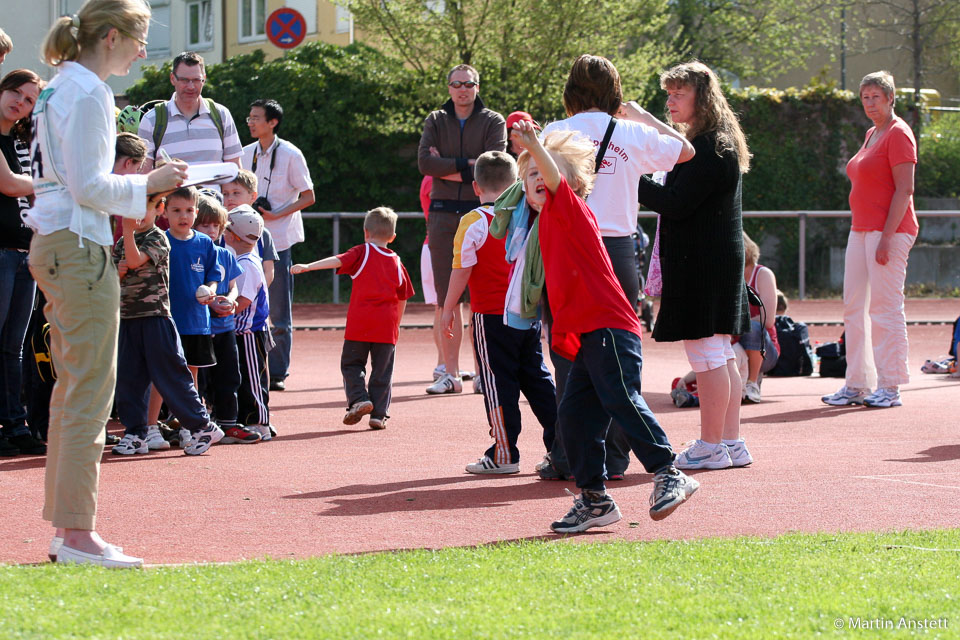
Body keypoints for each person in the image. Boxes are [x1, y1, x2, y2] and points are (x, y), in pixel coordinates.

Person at [26, 0, 187, 568]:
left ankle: (71, 530)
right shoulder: (87, 91)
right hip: (77, 245)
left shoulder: (58, 87)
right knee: (88, 393)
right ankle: (75, 535)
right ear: (113, 36)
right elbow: (92, 187)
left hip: (59, 243)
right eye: (140, 39)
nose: (144, 51)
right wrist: (151, 183)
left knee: (76, 392)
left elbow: (68, 181)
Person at [512, 120, 698, 533]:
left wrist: (535, 146)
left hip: (609, 326)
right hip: (586, 336)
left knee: (619, 397)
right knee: (574, 417)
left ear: (573, 182)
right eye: (530, 175)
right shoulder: (541, 224)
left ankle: (670, 472)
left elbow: (554, 178)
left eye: (547, 171)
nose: (539, 178)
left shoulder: (570, 208)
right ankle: (594, 500)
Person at [537, 54, 695, 481]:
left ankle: (568, 455)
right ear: (615, 92)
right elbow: (685, 151)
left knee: (567, 352)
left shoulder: (555, 132)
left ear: (571, 90)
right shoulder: (630, 132)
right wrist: (643, 116)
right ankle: (617, 458)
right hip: (618, 250)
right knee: (620, 359)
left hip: (568, 248)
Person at [636, 61, 752, 471]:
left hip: (704, 266)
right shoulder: (713, 141)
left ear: (700, 97)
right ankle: (731, 442)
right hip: (713, 263)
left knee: (708, 357)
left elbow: (676, 204)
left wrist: (631, 176)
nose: (670, 101)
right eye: (668, 94)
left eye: (677, 94)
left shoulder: (710, 146)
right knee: (718, 354)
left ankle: (710, 444)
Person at [439, 150, 558, 474]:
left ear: (476, 187)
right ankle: (562, 445)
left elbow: (461, 269)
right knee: (537, 377)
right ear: (516, 182)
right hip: (527, 312)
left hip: (490, 315)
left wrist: (449, 308)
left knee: (497, 383)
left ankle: (504, 453)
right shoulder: (530, 213)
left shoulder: (473, 221)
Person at [822, 71, 917, 409]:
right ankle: (857, 383)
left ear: (891, 98)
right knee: (853, 306)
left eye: (876, 96)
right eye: (865, 97)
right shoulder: (871, 133)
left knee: (885, 308)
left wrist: (887, 238)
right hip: (860, 230)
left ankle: (890, 386)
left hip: (887, 233)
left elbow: (905, 189)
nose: (870, 102)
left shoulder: (899, 133)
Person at [111, 193, 223, 456]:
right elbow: (114, 272)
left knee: (170, 375)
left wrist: (127, 235)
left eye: (143, 209)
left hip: (155, 318)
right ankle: (135, 433)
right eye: (131, 209)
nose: (136, 216)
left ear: (158, 210)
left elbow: (135, 261)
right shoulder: (121, 243)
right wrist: (120, 265)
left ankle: (201, 425)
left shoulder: (157, 238)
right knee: (130, 378)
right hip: (128, 318)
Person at [418, 64, 506, 395]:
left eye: (468, 83)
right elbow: (425, 164)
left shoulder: (493, 120)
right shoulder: (435, 120)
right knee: (447, 297)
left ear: (477, 86)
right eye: (456, 83)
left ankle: (485, 371)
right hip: (442, 216)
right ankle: (450, 374)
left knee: (483, 296)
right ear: (449, 87)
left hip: (482, 212)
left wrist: (449, 166)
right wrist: (468, 166)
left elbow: (494, 165)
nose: (462, 89)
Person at [291, 207, 414, 430]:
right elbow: (403, 297)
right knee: (382, 371)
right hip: (386, 327)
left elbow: (338, 260)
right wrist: (397, 324)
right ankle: (378, 414)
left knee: (352, 365)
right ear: (393, 237)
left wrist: (309, 266)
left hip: (360, 324)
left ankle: (358, 399)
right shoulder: (397, 262)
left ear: (366, 232)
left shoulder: (362, 252)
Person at [241, 98, 315, 392]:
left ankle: (278, 372)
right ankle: (249, 365)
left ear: (273, 122)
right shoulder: (245, 154)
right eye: (249, 117)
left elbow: (309, 196)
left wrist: (276, 213)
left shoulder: (291, 154)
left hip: (279, 238)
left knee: (279, 311)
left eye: (256, 117)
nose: (250, 122)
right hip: (245, 239)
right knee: (244, 301)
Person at [0, 68, 46, 457]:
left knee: (14, 348)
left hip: (24, 254)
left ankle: (15, 425)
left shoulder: (20, 141)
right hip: (0, 254)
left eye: (29, 99)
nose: (20, 102)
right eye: (16, 92)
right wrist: (53, 182)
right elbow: (11, 185)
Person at [194, 195, 261, 444]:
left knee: (229, 376)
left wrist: (231, 301)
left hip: (225, 328)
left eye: (216, 226)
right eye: (205, 225)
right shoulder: (189, 253)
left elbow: (233, 287)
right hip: (198, 328)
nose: (211, 231)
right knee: (199, 379)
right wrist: (208, 300)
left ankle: (228, 423)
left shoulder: (226, 254)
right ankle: (195, 423)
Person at [138, 51, 243, 171]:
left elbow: (234, 170)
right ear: (173, 79)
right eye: (184, 80)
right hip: (172, 190)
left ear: (204, 79)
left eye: (196, 80)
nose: (191, 86)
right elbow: (144, 175)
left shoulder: (222, 115)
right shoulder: (152, 120)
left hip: (214, 190)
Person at [223, 205, 274, 439]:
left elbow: (242, 301)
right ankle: (247, 418)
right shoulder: (245, 258)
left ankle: (260, 421)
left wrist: (220, 311)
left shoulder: (245, 264)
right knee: (244, 377)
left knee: (253, 379)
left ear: (233, 236)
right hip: (244, 331)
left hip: (250, 332)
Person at [735, 232, 779, 403]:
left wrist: (735, 326)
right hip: (735, 342)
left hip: (765, 350)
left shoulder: (762, 274)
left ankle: (753, 382)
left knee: (753, 328)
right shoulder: (728, 277)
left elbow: (768, 320)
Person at [222, 170, 280, 286]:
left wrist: (254, 293)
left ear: (253, 196)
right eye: (225, 194)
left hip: (253, 299)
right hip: (226, 299)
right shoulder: (218, 232)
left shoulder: (262, 234)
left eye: (236, 193)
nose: (230, 198)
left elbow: (269, 271)